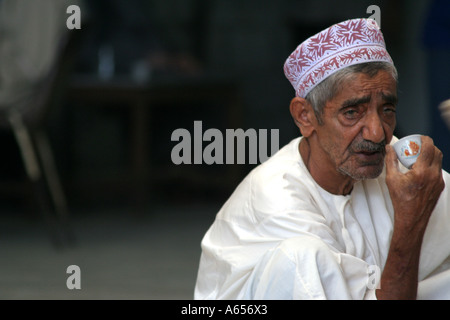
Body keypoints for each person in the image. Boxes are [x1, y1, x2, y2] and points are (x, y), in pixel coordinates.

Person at [194, 18, 450, 300]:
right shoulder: (278, 200)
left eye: (387, 109)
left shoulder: (397, 160)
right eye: (352, 112)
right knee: (301, 257)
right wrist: (410, 220)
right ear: (305, 116)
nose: (378, 133)